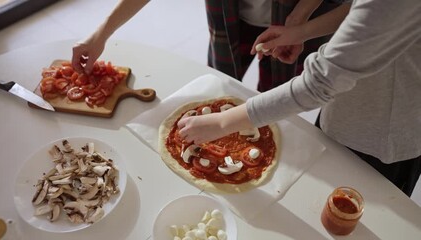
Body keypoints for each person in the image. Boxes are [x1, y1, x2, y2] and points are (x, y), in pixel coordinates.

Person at [177, 0, 421, 196]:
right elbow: (355, 8)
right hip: (346, 105)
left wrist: (223, 123)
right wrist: (300, 31)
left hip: (386, 135)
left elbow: (319, 84)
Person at [71, 0, 343, 92]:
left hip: (296, 17)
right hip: (230, 19)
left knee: (279, 91)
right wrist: (101, 33)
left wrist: (299, 21)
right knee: (221, 81)